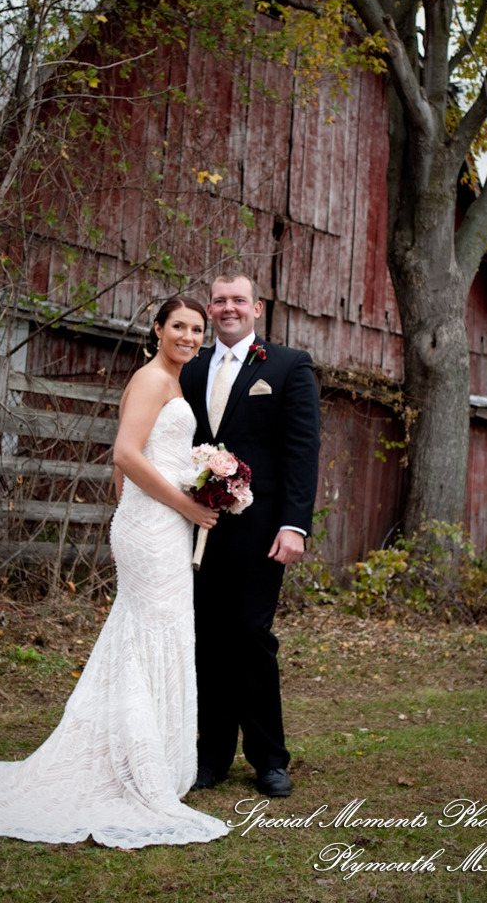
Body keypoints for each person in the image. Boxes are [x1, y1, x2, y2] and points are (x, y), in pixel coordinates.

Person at [0, 296, 229, 849]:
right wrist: (181, 505)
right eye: (179, 326)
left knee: (152, 633)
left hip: (159, 524)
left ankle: (144, 757)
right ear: (157, 328)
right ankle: (134, 766)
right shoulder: (152, 379)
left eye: (198, 329)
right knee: (147, 635)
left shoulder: (172, 382)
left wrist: (173, 501)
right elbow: (125, 455)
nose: (189, 336)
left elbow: (131, 467)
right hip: (158, 525)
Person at [179, 273, 320, 798]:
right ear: (210, 309)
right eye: (219, 301)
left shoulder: (287, 366)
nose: (228, 308)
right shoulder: (191, 368)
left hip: (262, 531)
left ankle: (269, 759)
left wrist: (294, 525)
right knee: (208, 640)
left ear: (257, 308)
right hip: (196, 528)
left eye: (238, 299)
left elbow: (302, 450)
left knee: (252, 636)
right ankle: (212, 755)